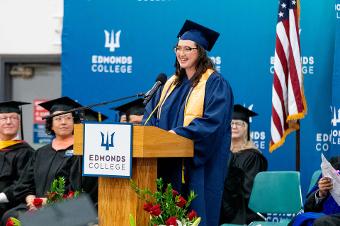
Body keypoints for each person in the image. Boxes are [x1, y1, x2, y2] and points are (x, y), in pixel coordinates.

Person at [143, 19, 234, 226]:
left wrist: (180, 134)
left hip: (197, 167)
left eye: (188, 49)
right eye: (178, 48)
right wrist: (150, 136)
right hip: (167, 165)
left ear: (200, 52)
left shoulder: (214, 84)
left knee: (196, 214)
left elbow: (214, 123)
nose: (181, 53)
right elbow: (151, 116)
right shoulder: (169, 84)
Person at [1, 97, 100, 223]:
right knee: (10, 216)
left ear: (75, 123)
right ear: (51, 125)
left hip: (69, 208)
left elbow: (79, 190)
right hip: (36, 205)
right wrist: (31, 200)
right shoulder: (40, 153)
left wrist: (45, 202)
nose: (63, 122)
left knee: (35, 220)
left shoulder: (82, 151)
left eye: (68, 118)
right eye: (58, 119)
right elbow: (25, 184)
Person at [220, 104, 268, 225]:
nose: (234, 126)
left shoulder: (253, 156)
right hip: (222, 208)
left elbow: (250, 192)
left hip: (243, 211)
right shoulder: (222, 153)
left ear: (246, 127)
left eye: (239, 123)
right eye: (231, 123)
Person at [0, 101, 34, 218]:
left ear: (19, 122)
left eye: (13, 118)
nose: (8, 122)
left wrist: (2, 196)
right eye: (4, 118)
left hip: (10, 207)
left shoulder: (26, 152)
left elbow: (23, 184)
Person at [288, 156, 340, 226]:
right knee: (300, 219)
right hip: (325, 216)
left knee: (322, 222)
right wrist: (321, 193)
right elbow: (308, 207)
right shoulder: (334, 164)